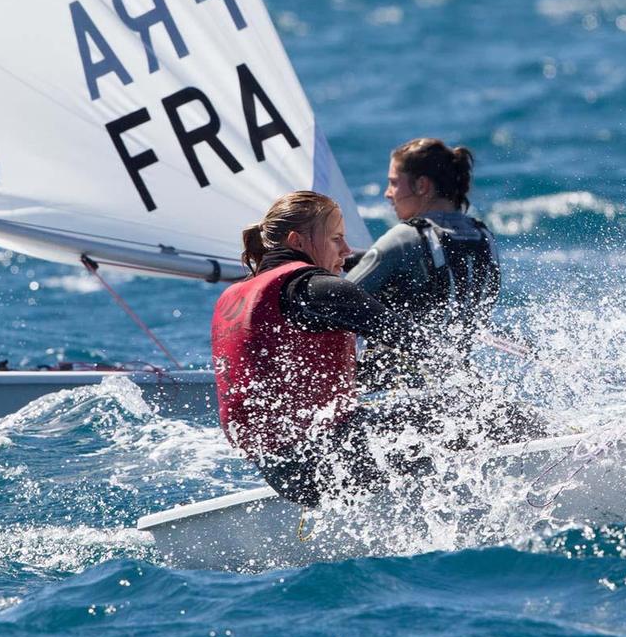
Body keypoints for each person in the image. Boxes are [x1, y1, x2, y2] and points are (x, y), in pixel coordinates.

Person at [212, 191, 434, 507]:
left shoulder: (237, 297)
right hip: (331, 465)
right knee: (466, 411)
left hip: (284, 473)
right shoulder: (314, 288)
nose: (346, 251)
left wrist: (387, 371)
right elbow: (414, 341)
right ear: (297, 241)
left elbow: (308, 380)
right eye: (336, 239)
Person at [346, 138, 500, 355]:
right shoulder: (484, 237)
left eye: (394, 183)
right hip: (458, 374)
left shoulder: (405, 237)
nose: (387, 193)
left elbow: (336, 300)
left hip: (396, 379)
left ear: (422, 186)